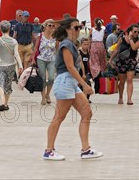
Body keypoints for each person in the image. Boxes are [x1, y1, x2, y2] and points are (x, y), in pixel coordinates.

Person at [44, 18, 102, 161]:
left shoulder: (70, 44)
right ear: (67, 29)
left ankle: (85, 149)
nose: (79, 30)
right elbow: (70, 67)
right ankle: (48, 150)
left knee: (87, 113)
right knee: (59, 117)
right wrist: (85, 84)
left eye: (79, 27)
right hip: (65, 82)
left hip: (70, 84)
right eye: (76, 28)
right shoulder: (66, 45)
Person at [0, 21, 23, 111]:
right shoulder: (14, 41)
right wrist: (20, 65)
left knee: (0, 84)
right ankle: (5, 103)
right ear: (9, 29)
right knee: (8, 86)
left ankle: (4, 103)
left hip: (0, 66)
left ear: (0, 29)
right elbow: (16, 54)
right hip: (11, 66)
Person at [109, 24, 139, 105]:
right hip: (122, 61)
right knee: (122, 81)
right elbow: (117, 49)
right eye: (134, 31)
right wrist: (110, 59)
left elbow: (134, 48)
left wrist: (130, 39)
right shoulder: (122, 38)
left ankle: (129, 99)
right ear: (130, 31)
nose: (136, 33)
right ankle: (120, 97)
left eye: (138, 32)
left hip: (131, 61)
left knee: (130, 79)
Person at [31, 19, 58, 105]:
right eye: (50, 25)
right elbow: (35, 48)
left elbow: (57, 49)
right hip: (41, 58)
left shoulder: (55, 37)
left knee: (51, 78)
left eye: (53, 26)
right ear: (45, 26)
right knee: (42, 78)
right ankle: (43, 97)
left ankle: (47, 94)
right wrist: (33, 59)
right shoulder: (40, 35)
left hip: (52, 59)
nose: (52, 27)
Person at [89, 18, 106, 94]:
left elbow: (89, 38)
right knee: (101, 63)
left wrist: (89, 48)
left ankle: (96, 78)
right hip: (101, 46)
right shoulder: (103, 29)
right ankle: (99, 85)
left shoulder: (92, 30)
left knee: (94, 63)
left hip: (94, 45)